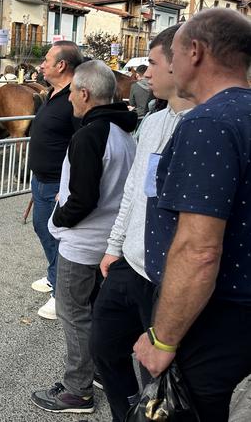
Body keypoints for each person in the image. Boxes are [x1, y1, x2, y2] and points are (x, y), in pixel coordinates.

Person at [132, 9, 251, 421]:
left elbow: (199, 250)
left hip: (216, 318)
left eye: (175, 53)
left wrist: (163, 340)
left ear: (195, 52)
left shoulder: (208, 123)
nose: (169, 65)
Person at [90, 24, 194, 422]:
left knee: (158, 371)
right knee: (105, 347)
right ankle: (124, 415)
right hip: (127, 265)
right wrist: (113, 247)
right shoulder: (151, 121)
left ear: (179, 63)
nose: (145, 73)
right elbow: (134, 191)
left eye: (152, 63)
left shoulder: (207, 125)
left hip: (167, 278)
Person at [31, 60, 137, 414]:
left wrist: (57, 218)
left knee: (74, 313)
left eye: (74, 92)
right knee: (92, 311)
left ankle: (77, 390)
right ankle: (98, 372)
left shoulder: (90, 135)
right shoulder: (123, 134)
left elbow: (83, 198)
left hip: (83, 244)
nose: (71, 98)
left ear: (85, 94)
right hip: (107, 242)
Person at [27, 41, 83, 320]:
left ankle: (61, 294)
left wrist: (69, 186)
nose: (42, 64)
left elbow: (82, 144)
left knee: (57, 236)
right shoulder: (52, 93)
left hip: (58, 184)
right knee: (42, 228)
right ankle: (54, 276)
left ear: (61, 65)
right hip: (42, 180)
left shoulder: (76, 97)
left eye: (47, 60)